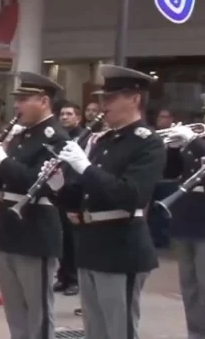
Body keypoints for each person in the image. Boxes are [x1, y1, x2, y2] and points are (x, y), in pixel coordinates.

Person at [43, 65, 162, 339]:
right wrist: (57, 186)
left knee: (119, 329)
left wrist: (85, 167)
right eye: (103, 98)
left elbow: (132, 196)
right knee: (96, 330)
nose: (102, 105)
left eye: (110, 98)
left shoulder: (148, 143)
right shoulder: (104, 140)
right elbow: (84, 196)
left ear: (134, 98)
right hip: (91, 244)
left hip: (122, 248)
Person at [0, 71, 69, 339]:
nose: (18, 105)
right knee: (14, 309)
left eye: (24, 99)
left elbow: (38, 182)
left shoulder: (56, 137)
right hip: (9, 228)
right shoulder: (22, 135)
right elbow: (3, 183)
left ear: (44, 101)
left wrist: (3, 161)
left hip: (36, 229)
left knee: (37, 309)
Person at [159, 123, 205, 339]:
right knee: (189, 284)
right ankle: (194, 333)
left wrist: (192, 142)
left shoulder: (196, 142)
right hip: (186, 216)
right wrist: (174, 150)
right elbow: (171, 172)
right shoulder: (196, 139)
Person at [54, 101, 83, 296]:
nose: (65, 117)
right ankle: (63, 276)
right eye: (63, 114)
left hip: (74, 191)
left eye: (69, 114)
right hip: (59, 191)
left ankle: (73, 279)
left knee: (73, 239)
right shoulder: (58, 137)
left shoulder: (83, 137)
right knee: (61, 237)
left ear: (78, 117)